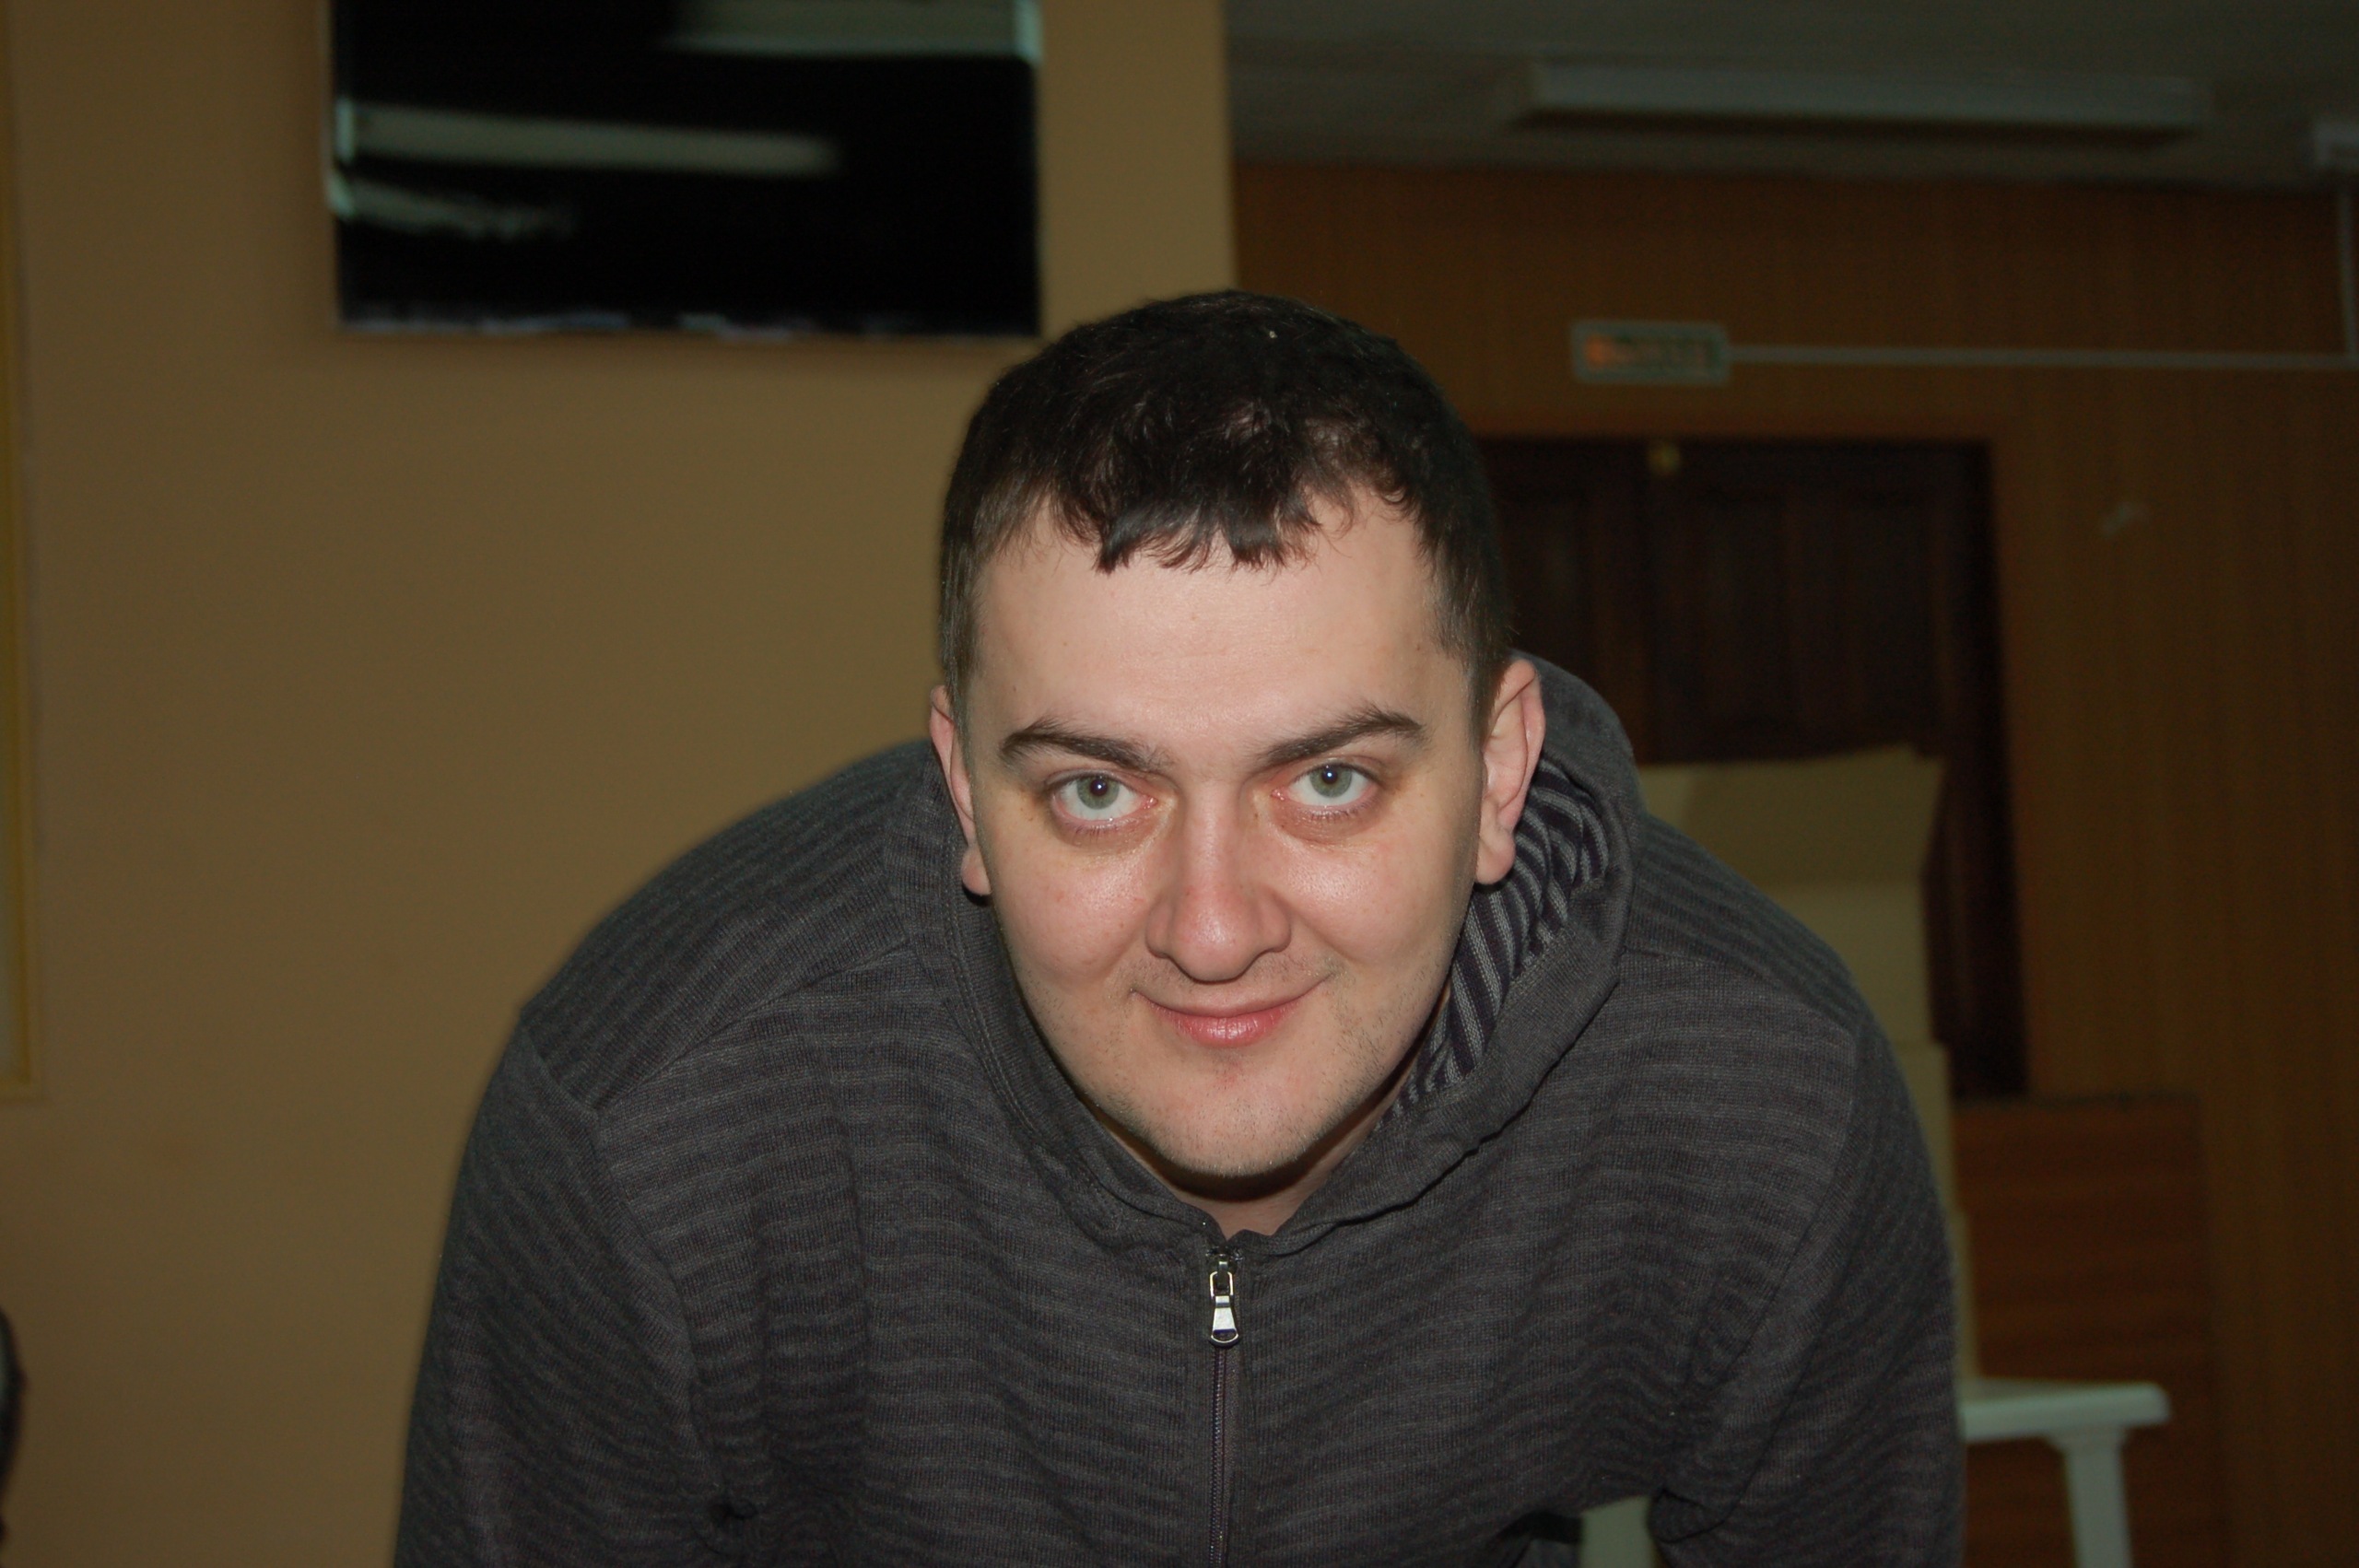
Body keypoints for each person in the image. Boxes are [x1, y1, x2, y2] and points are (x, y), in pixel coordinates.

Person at [395, 292, 1959, 1566]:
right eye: (1097, 791)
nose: (1213, 930)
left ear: (1500, 773)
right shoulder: (659, 1121)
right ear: (963, 791)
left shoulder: (1761, 1102)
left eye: (1330, 780)